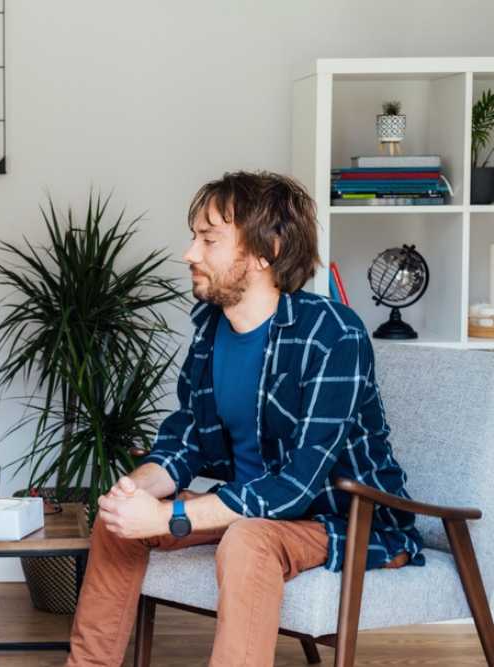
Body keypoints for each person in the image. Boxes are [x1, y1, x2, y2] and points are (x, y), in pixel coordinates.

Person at [66, 171, 424, 667]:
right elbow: (186, 442)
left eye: (209, 239)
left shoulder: (332, 333)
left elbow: (299, 484)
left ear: (266, 252)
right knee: (116, 522)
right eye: (194, 237)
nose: (189, 253)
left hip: (343, 517)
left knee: (248, 541)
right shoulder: (210, 330)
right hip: (252, 510)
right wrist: (135, 493)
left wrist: (173, 515)